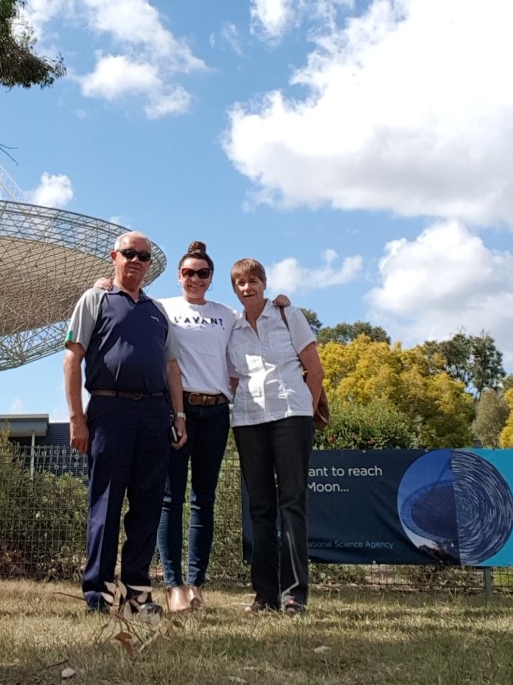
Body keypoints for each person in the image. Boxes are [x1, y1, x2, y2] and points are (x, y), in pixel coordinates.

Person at [65, 230, 186, 615]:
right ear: (113, 256)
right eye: (129, 254)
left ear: (150, 266)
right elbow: (72, 359)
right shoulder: (95, 299)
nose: (136, 261)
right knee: (106, 502)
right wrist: (76, 418)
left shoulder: (157, 311)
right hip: (109, 410)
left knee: (148, 504)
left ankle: (136, 594)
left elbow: (171, 366)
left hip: (154, 413)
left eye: (143, 257)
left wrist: (178, 415)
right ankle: (97, 595)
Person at [227, 257, 324, 615]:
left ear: (264, 284)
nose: (247, 288)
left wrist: (306, 415)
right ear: (235, 289)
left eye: (253, 281)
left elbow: (315, 371)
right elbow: (230, 377)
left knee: (292, 504)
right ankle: (265, 594)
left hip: (290, 415)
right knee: (260, 508)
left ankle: (295, 594)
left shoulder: (288, 315)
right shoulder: (232, 328)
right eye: (240, 283)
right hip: (249, 420)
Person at [155, 241, 237, 613]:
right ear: (179, 275)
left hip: (216, 412)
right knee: (170, 500)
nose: (194, 279)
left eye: (202, 273)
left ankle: (196, 584)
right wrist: (101, 284)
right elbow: (126, 297)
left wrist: (279, 302)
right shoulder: (163, 308)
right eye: (188, 273)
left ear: (211, 278)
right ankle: (173, 586)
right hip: (178, 409)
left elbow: (256, 324)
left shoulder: (227, 314)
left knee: (204, 500)